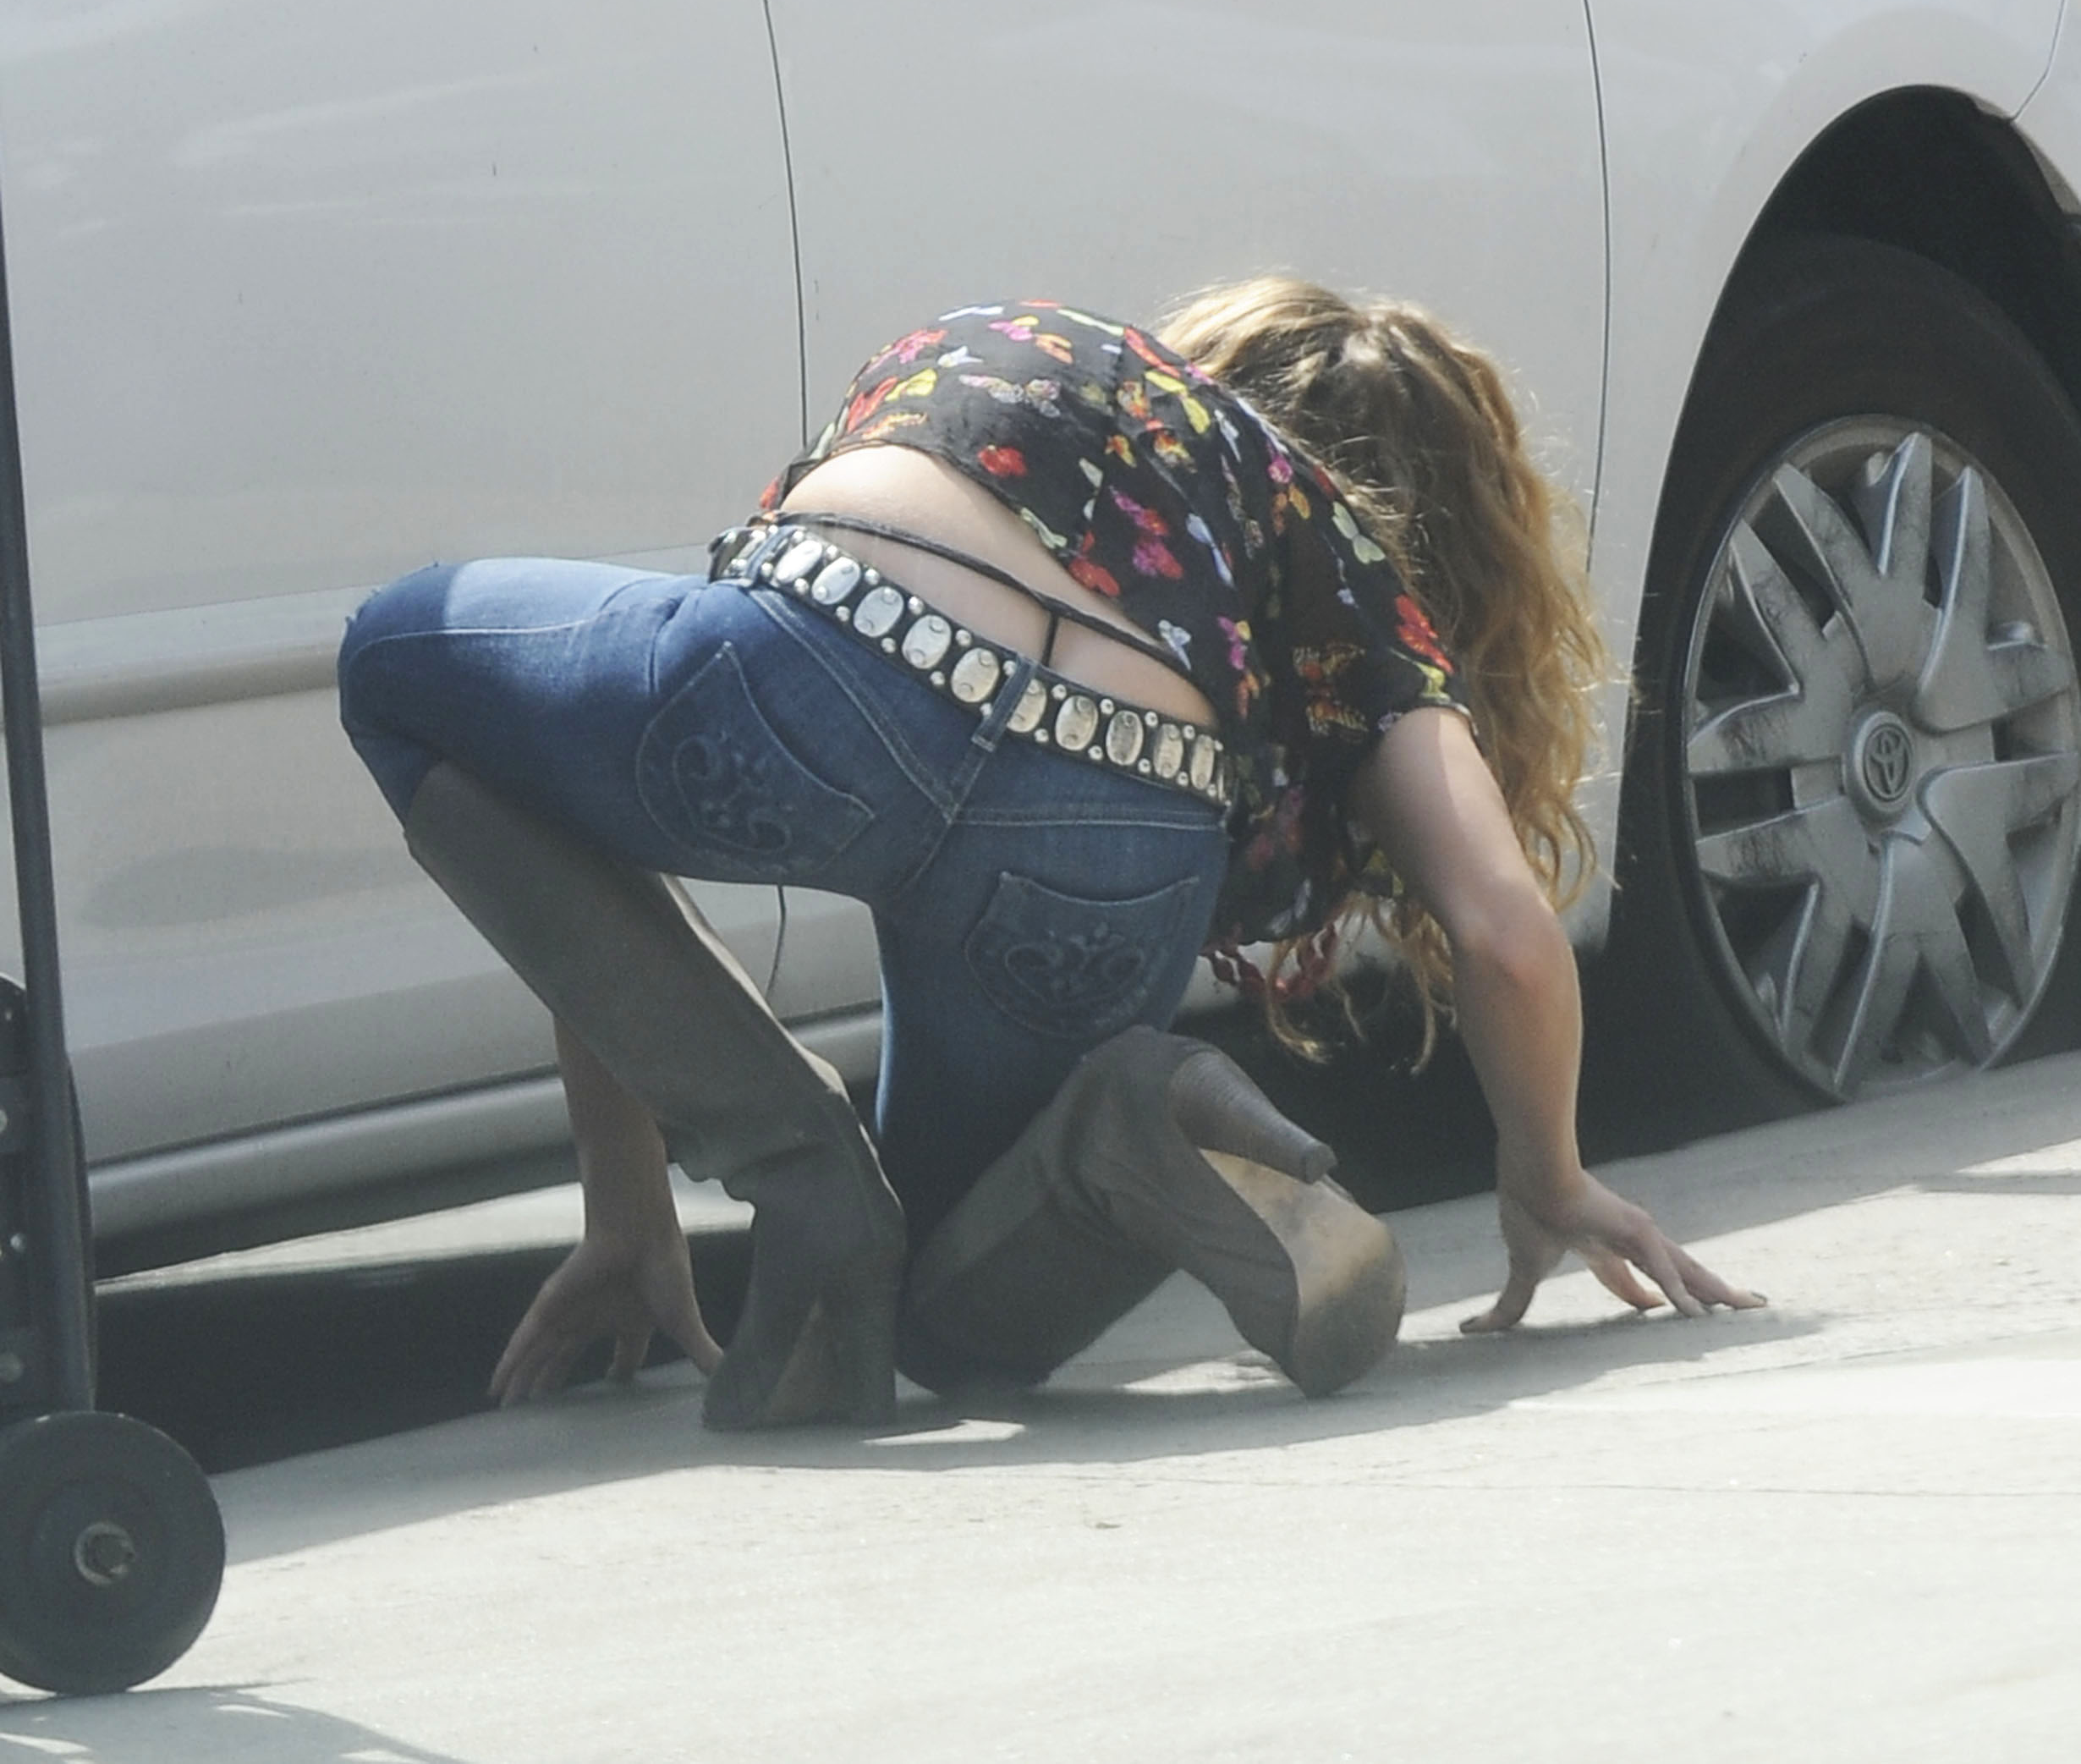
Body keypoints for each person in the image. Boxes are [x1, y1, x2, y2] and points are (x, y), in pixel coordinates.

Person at [337, 284, 1759, 1432]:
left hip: (846, 670)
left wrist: (626, 1197)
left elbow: (563, 799)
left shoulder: (1052, 356)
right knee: (951, 1313)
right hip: (1116, 832)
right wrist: (1551, 1172)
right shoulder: (1353, 586)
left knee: (399, 668)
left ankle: (792, 1158)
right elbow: (1508, 929)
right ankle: (1130, 1123)